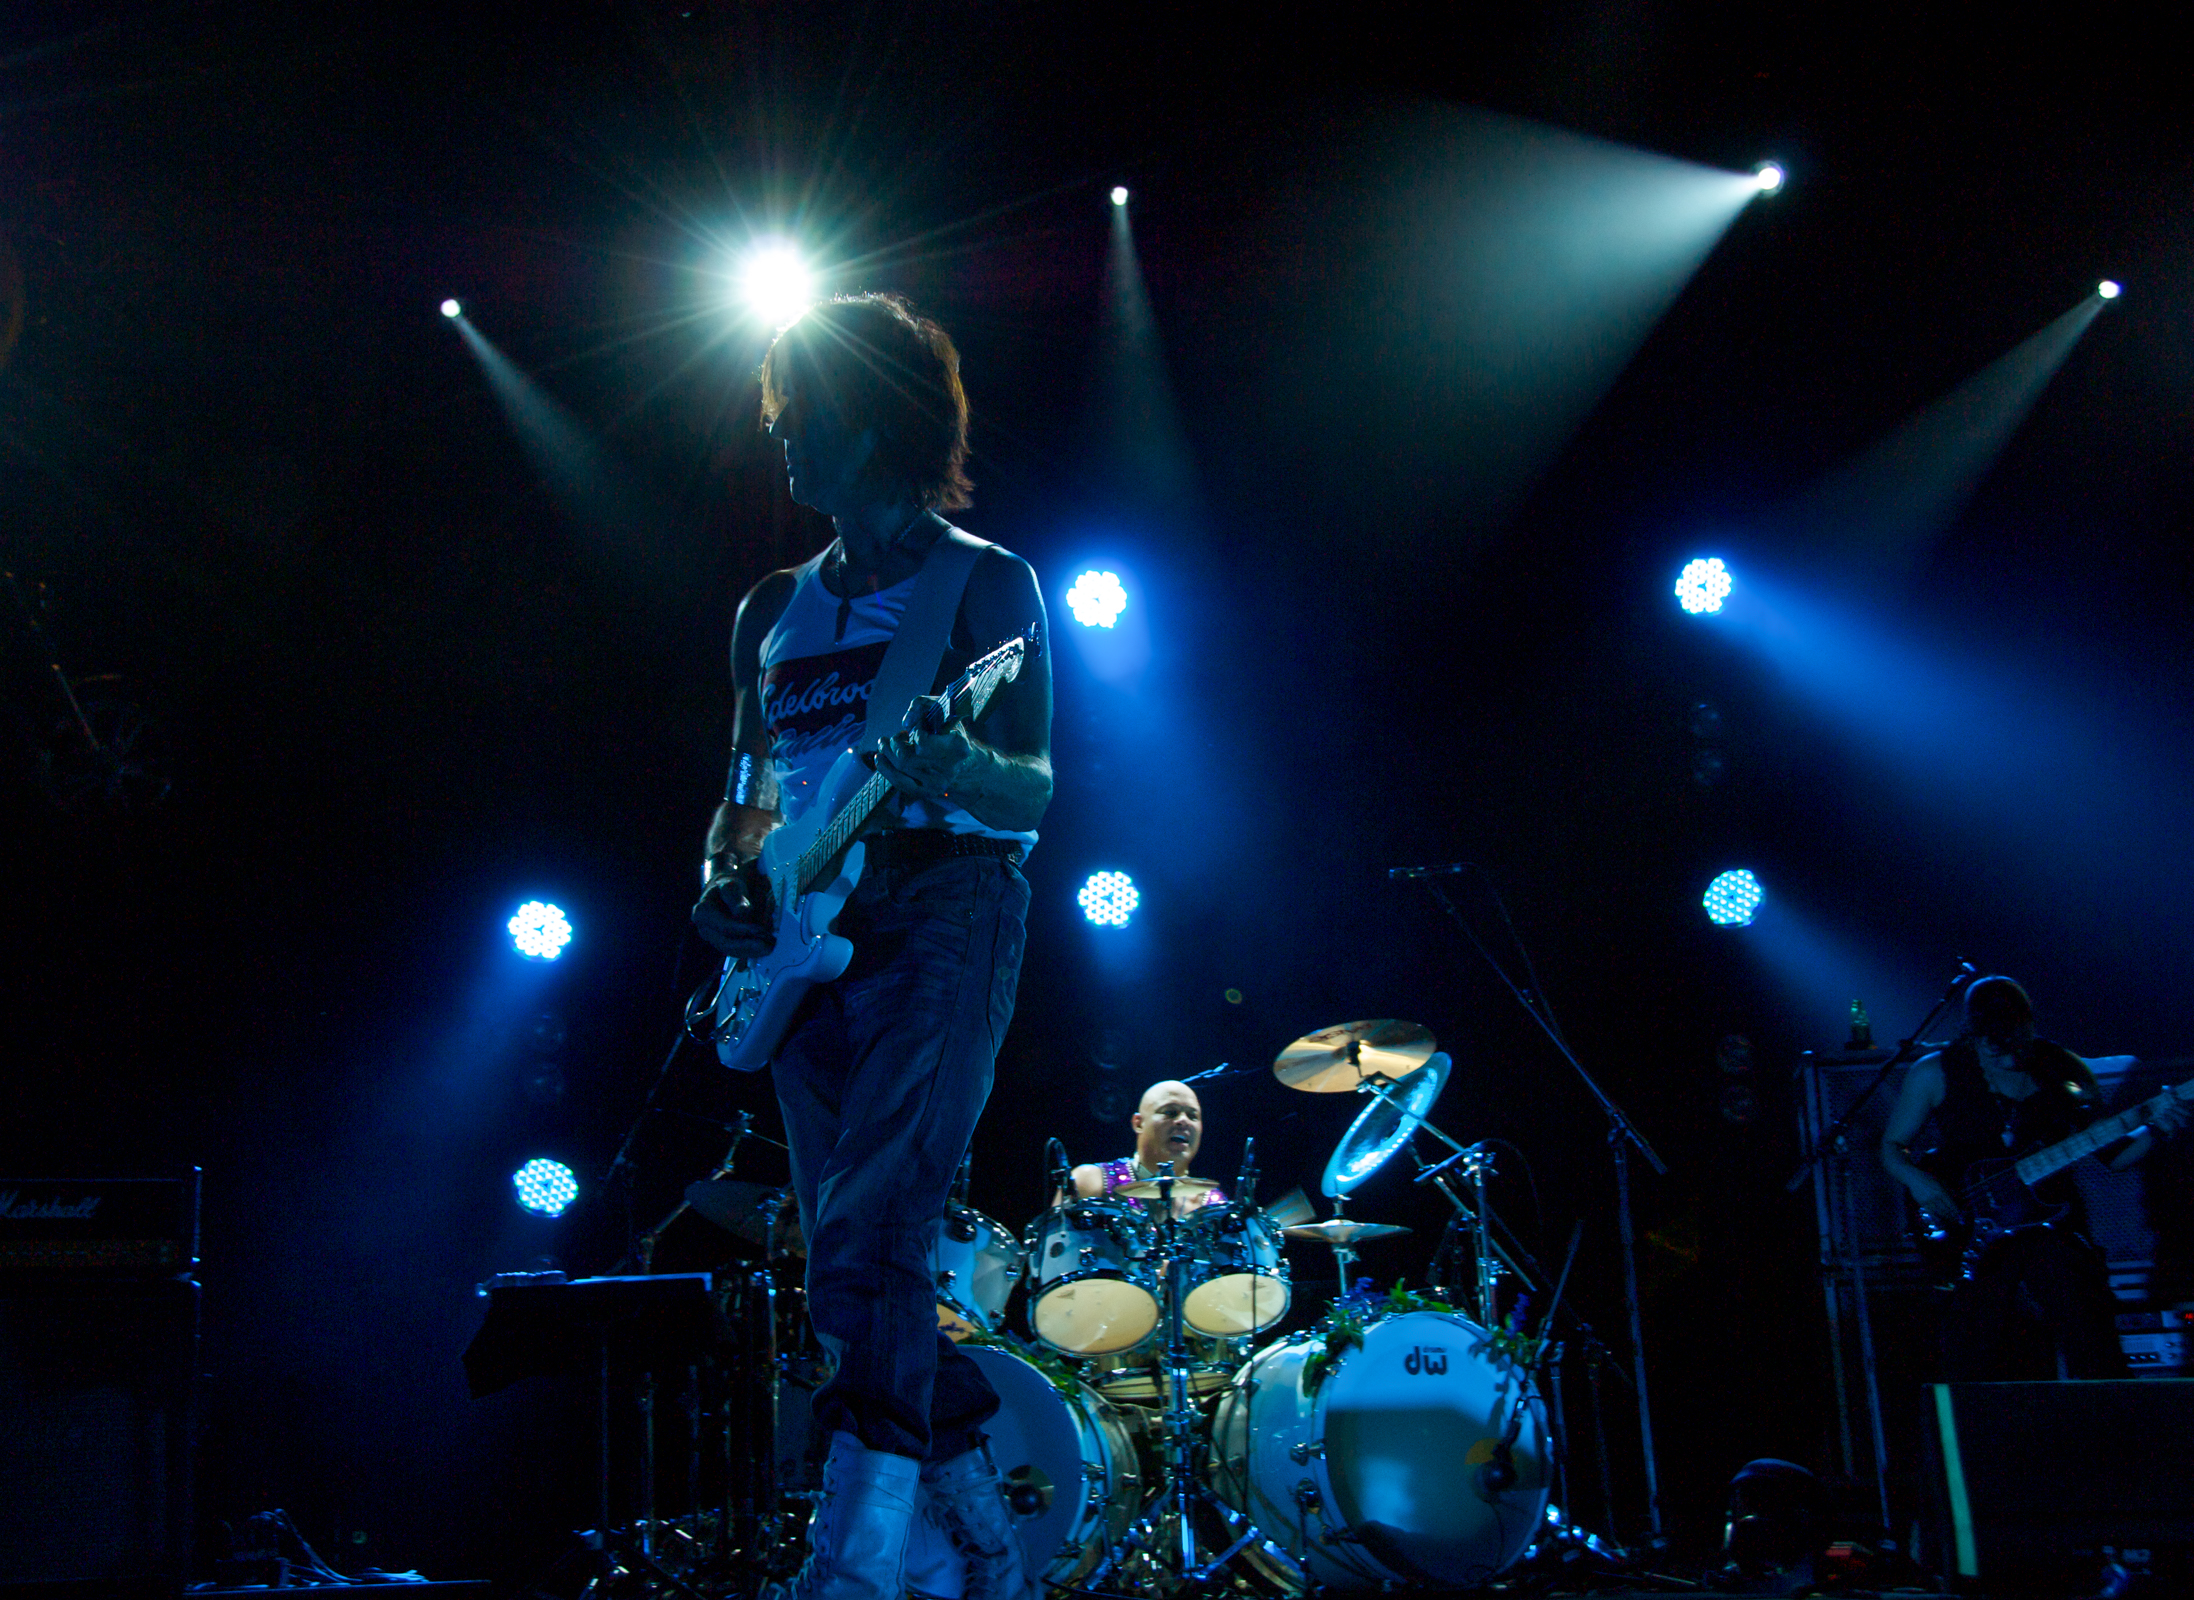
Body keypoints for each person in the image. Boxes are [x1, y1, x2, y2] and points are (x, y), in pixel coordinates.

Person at [691, 293, 1052, 1600]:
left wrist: (959, 758)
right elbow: (745, 788)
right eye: (782, 409)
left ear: (881, 422)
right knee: (864, 1252)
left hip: (945, 905)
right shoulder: (769, 607)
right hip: (799, 945)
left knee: (866, 1228)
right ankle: (991, 1550)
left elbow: (1034, 792)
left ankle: (850, 1564)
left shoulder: (984, 583)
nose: (783, 434)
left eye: (811, 411)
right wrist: (720, 884)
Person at [1880, 974, 2187, 1379]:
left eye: (2016, 1044)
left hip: (2051, 1225)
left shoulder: (2062, 1069)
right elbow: (1891, 1147)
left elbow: (2113, 1156)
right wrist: (1920, 1182)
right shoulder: (1935, 1072)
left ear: (2030, 1026)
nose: (2008, 1057)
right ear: (1973, 1034)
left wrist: (2157, 1128)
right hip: (1974, 1230)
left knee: (2093, 1339)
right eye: (1995, 1047)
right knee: (1975, 1351)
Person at [1069, 1079, 1227, 1217]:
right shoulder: (1089, 1183)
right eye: (1170, 1112)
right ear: (1138, 1123)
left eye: (1193, 1116)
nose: (1183, 1121)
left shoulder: (1216, 1208)